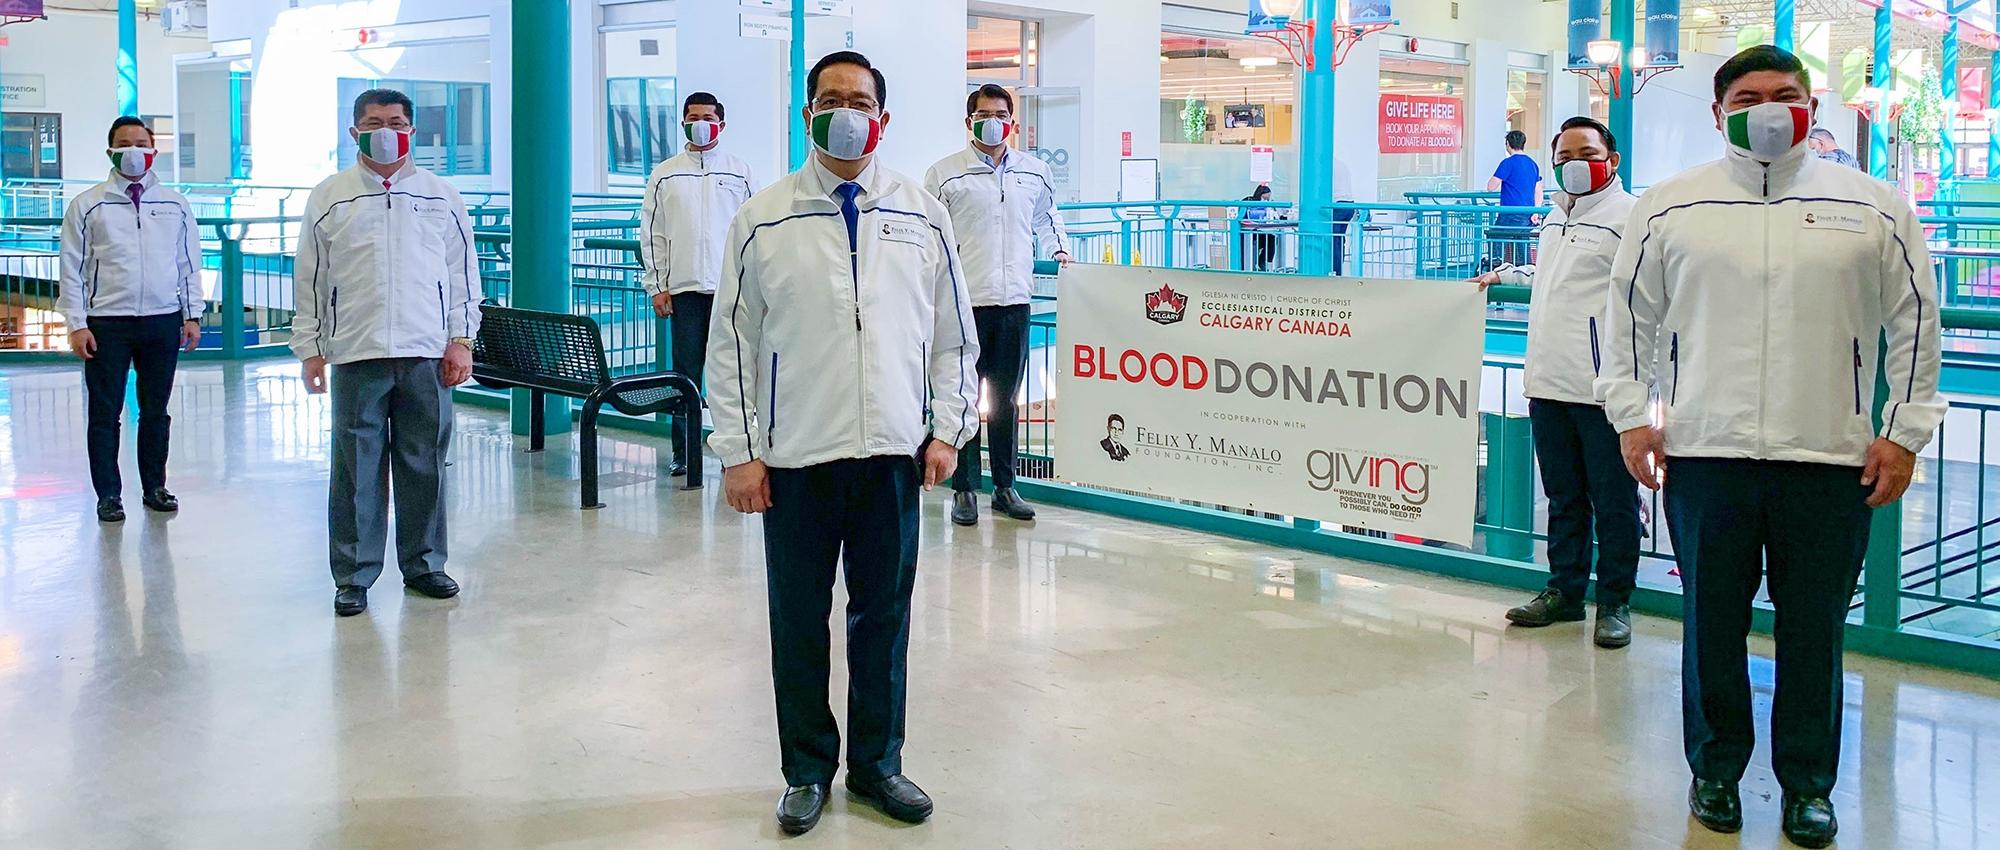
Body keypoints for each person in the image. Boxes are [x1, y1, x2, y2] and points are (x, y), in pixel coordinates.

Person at [1596, 46, 1943, 849]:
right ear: (1719, 114)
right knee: (1709, 622)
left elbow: (1917, 324)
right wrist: (1630, 415)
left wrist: (1903, 432)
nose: (1769, 107)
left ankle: (1807, 786)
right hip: (1704, 455)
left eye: (1785, 94)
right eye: (1749, 96)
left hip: (1829, 457)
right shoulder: (1671, 207)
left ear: (1812, 108)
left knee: (1814, 627)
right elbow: (1628, 322)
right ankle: (1715, 769)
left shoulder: (1875, 206)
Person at [706, 51, 979, 836]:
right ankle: (805, 770)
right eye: (830, 100)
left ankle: (877, 765)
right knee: (797, 621)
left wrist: (947, 430)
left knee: (882, 618)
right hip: (794, 460)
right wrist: (738, 450)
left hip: (893, 454)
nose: (845, 112)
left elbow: (953, 338)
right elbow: (730, 346)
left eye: (859, 101)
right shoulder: (763, 217)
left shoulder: (921, 212)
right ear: (807, 116)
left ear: (883, 119)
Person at [291, 89, 481, 618]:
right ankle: (353, 575)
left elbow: (464, 276)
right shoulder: (331, 196)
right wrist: (309, 349)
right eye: (374, 123)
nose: (386, 130)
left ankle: (423, 564)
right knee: (356, 470)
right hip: (356, 351)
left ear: (412, 130)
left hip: (427, 353)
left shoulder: (441, 195)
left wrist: (461, 340)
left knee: (425, 464)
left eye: (396, 122)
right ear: (355, 132)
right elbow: (310, 277)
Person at [1473, 116, 1640, 649]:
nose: (1574, 164)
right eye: (1564, 156)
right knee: (1564, 497)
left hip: (1601, 389)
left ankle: (1614, 601)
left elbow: (1651, 298)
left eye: (1586, 153)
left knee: (1613, 502)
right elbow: (1551, 275)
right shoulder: (1553, 217)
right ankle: (1565, 591)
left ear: (1611, 161)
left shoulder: (1631, 218)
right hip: (1546, 382)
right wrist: (1503, 276)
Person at [924, 82, 1069, 528]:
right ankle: (964, 488)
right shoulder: (945, 174)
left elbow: (1048, 217)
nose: (993, 121)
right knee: (964, 398)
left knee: (1006, 399)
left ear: (1013, 122)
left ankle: (1005, 486)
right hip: (963, 303)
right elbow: (929, 234)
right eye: (984, 114)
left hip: (1014, 303)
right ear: (969, 122)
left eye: (1001, 114)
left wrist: (1061, 250)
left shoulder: (1034, 171)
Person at [58, 116, 204, 523]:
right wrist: (76, 323)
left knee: (156, 410)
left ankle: (154, 486)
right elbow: (71, 268)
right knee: (105, 413)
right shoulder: (88, 205)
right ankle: (108, 494)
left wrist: (193, 314)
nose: (134, 151)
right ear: (110, 152)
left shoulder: (175, 203)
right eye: (124, 144)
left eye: (141, 143)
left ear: (154, 150)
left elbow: (189, 263)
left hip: (162, 319)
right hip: (106, 322)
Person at [640, 91, 757, 478]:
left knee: (732, 374)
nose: (701, 123)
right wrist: (657, 284)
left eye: (708, 116)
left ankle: (735, 453)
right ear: (683, 123)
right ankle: (684, 451)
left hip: (731, 290)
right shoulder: (665, 174)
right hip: (685, 291)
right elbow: (652, 233)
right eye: (693, 117)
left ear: (721, 124)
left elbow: (755, 232)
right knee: (684, 377)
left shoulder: (740, 172)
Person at [1487, 129, 1543, 266]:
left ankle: (1496, 266)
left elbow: (1491, 186)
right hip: (1527, 213)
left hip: (1509, 213)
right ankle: (1526, 271)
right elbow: (1538, 191)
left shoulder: (1507, 163)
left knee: (1495, 237)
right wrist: (1536, 211)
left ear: (1507, 144)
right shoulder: (1532, 164)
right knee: (1522, 244)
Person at [1242, 184, 1280, 271]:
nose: (1267, 199)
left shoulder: (1268, 204)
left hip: (1260, 229)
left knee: (1272, 238)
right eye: (1266, 197)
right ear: (1261, 194)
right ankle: (1259, 262)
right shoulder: (1248, 201)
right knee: (1269, 239)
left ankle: (1263, 261)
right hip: (1249, 231)